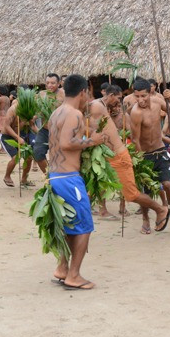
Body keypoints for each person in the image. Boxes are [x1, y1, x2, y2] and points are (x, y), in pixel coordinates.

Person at [47, 74, 108, 291]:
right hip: (68, 178)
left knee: (67, 224)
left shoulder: (56, 112)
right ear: (83, 92)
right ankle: (74, 275)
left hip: (55, 175)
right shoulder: (74, 114)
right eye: (87, 94)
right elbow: (66, 143)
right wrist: (94, 140)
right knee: (84, 226)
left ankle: (62, 268)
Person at [88, 86, 169, 227]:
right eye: (118, 99)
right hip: (103, 154)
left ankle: (160, 209)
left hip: (118, 155)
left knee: (131, 194)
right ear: (111, 95)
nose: (118, 103)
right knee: (95, 185)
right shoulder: (97, 106)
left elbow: (130, 134)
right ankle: (99, 211)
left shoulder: (104, 108)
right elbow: (93, 129)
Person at [130, 78, 170, 234]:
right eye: (137, 96)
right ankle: (145, 219)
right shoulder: (136, 113)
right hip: (145, 155)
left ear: (150, 93)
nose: (140, 100)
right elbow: (135, 139)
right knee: (146, 190)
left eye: (143, 96)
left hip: (160, 151)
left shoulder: (158, 102)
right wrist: (140, 160)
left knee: (167, 184)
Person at [31, 73, 62, 178]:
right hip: (44, 130)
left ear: (59, 83)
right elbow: (38, 111)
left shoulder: (64, 95)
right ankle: (49, 177)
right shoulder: (41, 94)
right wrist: (34, 117)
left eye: (53, 83)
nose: (50, 85)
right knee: (37, 153)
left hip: (60, 131)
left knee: (58, 157)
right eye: (47, 83)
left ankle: (58, 180)